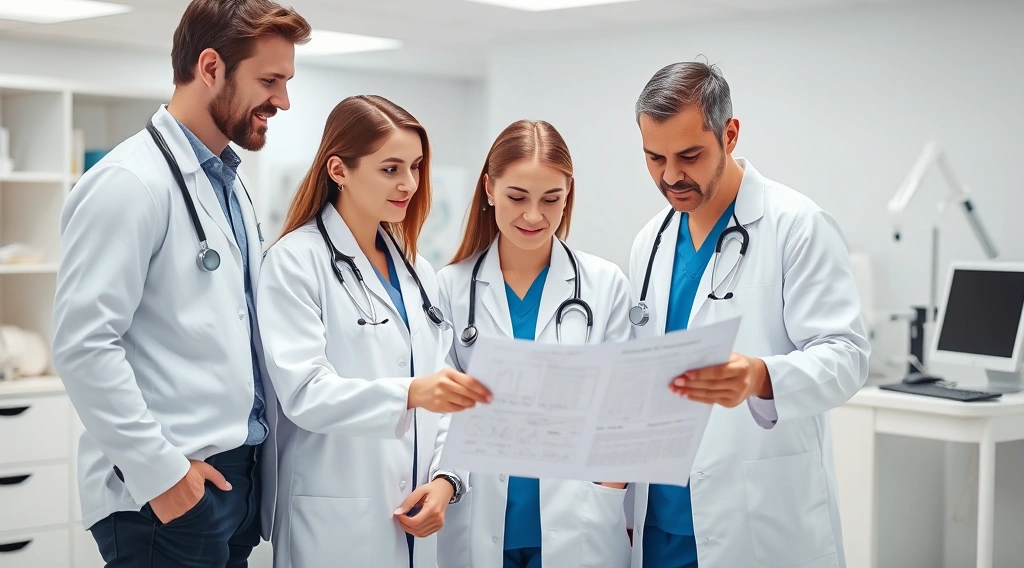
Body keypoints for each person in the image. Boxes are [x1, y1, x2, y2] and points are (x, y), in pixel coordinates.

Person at [50, 0, 310, 566]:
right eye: (270, 80)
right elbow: (83, 344)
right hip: (167, 487)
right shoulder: (128, 182)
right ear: (211, 67)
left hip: (234, 479)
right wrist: (162, 475)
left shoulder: (229, 183)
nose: (283, 101)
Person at [626, 61, 870, 568]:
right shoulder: (651, 241)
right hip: (659, 523)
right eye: (655, 158)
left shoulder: (797, 225)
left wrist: (761, 376)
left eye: (690, 156)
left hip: (756, 518)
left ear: (730, 133)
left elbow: (847, 358)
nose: (672, 176)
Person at [256, 95, 491, 568]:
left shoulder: (418, 272)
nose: (408, 183)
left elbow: (446, 398)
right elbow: (304, 394)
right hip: (336, 523)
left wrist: (446, 482)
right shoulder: (295, 263)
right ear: (339, 170)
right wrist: (411, 392)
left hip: (417, 521)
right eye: (390, 169)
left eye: (416, 166)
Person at [435, 120, 633, 568]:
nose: (533, 216)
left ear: (568, 195)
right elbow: (437, 412)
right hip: (477, 515)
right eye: (517, 197)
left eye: (551, 199)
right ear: (489, 188)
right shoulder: (449, 288)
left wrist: (610, 485)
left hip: (579, 519)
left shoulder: (605, 285)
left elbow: (623, 407)